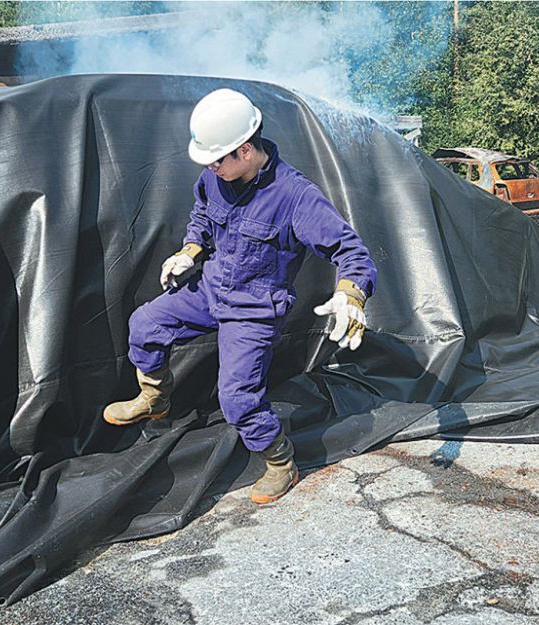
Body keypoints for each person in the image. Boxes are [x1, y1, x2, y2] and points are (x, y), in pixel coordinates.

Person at [103, 88, 377, 504]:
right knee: (144, 324)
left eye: (218, 159)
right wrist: (189, 250)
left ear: (245, 150)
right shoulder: (215, 177)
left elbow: (350, 251)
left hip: (254, 309)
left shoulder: (295, 197)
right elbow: (201, 215)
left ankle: (281, 463)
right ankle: (154, 397)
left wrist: (351, 294)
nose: (211, 167)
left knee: (237, 400)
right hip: (211, 287)